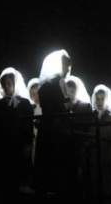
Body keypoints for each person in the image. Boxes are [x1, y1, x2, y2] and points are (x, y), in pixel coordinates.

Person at [32, 49, 77, 198]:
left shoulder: (60, 83)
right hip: (52, 133)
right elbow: (50, 107)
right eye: (65, 66)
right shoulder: (49, 84)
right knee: (52, 170)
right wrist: (65, 107)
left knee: (61, 173)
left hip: (60, 132)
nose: (67, 70)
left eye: (68, 67)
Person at [0, 68, 34, 199]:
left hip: (19, 145)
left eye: (9, 83)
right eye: (4, 83)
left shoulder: (25, 103)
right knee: (5, 178)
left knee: (20, 177)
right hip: (3, 146)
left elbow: (28, 125)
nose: (6, 86)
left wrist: (28, 144)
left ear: (15, 83)